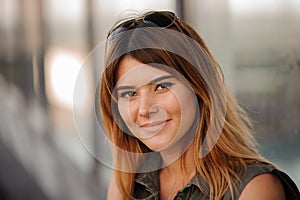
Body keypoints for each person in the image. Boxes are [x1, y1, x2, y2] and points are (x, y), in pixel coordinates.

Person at [100, 10, 299, 200]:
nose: (144, 109)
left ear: (198, 86)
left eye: (161, 86)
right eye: (130, 93)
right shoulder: (126, 184)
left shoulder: (254, 188)